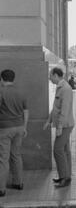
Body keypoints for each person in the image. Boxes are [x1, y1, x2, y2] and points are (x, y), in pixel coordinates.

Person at [43, 67, 74, 188]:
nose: (49, 78)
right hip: (64, 124)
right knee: (65, 151)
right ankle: (66, 176)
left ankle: (64, 178)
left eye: (50, 76)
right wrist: (48, 121)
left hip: (65, 125)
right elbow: (56, 108)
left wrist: (60, 126)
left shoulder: (65, 88)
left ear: (56, 75)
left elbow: (64, 110)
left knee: (57, 150)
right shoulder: (60, 87)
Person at [0, 69, 29, 197]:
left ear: (2, 79)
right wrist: (24, 127)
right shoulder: (21, 92)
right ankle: (19, 183)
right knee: (16, 155)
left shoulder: (1, 91)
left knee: (3, 159)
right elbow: (26, 111)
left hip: (4, 129)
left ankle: (1, 189)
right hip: (19, 128)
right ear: (13, 79)